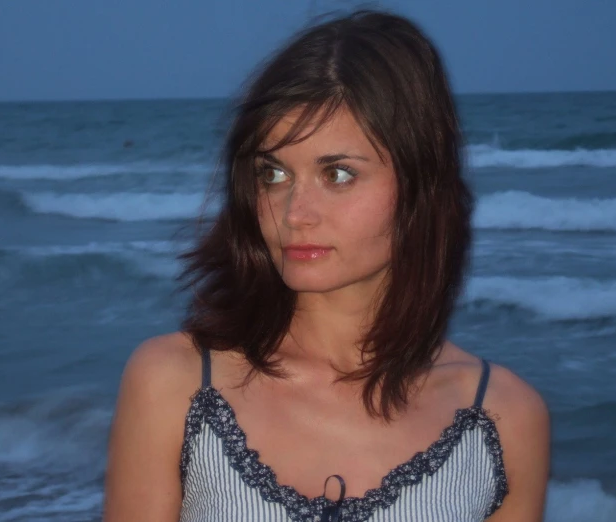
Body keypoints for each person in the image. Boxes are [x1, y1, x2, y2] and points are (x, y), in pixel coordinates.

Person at [103, 9, 550, 522]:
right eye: (272, 173)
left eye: (337, 174)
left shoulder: (504, 418)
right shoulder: (174, 383)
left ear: (420, 187)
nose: (295, 212)